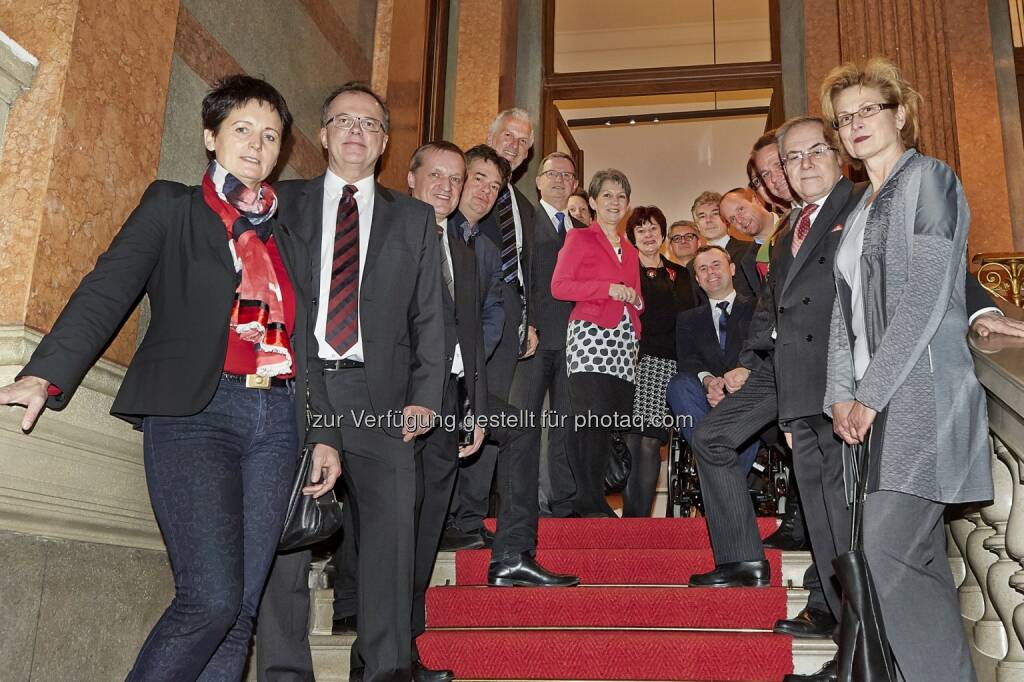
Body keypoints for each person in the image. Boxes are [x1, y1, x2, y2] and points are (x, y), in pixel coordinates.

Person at [0, 75, 341, 681]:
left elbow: (311, 344)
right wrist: (44, 374)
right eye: (242, 130)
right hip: (195, 417)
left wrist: (325, 434)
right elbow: (108, 288)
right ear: (211, 136)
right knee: (208, 599)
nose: (258, 146)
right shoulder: (173, 207)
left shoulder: (289, 234)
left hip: (277, 424)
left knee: (238, 613)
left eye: (270, 136)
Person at [688, 113, 1018, 682]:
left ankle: (876, 659)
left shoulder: (866, 200)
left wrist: (986, 308)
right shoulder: (784, 233)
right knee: (826, 527)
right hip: (801, 395)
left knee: (861, 536)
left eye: (813, 151)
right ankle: (854, 652)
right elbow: (773, 319)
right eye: (789, 161)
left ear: (836, 154)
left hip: (852, 396)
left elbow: (934, 266)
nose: (801, 165)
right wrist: (773, 393)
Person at [258, 81, 445, 682]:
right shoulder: (281, 203)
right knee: (286, 539)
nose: (356, 132)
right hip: (293, 389)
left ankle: (385, 670)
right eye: (344, 120)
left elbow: (430, 316)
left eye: (369, 124)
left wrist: (426, 397)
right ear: (322, 134)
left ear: (385, 142)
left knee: (393, 542)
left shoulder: (413, 218)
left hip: (383, 399)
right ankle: (285, 672)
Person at [821, 57, 992, 682]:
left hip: (917, 390)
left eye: (869, 110)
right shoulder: (859, 205)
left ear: (899, 114)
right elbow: (844, 314)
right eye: (845, 119)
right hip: (872, 400)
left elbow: (926, 295)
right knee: (907, 558)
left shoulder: (931, 179)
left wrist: (868, 392)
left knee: (888, 548)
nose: (856, 124)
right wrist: (840, 393)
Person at [444, 108, 537, 550]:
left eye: (523, 141)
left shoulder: (522, 206)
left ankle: (469, 515)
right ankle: (446, 514)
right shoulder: (455, 193)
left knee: (487, 416)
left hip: (501, 323)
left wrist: (525, 321)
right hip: (452, 324)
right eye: (509, 136)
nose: (515, 146)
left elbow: (521, 272)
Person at [552, 169, 643, 517]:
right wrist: (605, 289)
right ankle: (587, 500)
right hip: (590, 335)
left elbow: (637, 295)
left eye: (621, 196)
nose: (614, 202)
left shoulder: (631, 251)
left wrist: (637, 304)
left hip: (623, 340)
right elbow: (560, 287)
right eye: (607, 195)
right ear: (592, 201)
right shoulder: (579, 239)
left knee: (609, 422)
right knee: (588, 419)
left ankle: (596, 496)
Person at [519, 151, 587, 519]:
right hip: (533, 339)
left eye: (567, 175)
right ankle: (526, 501)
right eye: (552, 174)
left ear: (575, 184)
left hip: (576, 344)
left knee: (565, 425)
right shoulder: (524, 222)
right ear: (539, 181)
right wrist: (524, 324)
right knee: (526, 424)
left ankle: (562, 500)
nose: (560, 180)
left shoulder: (585, 232)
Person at [621, 206, 699, 517]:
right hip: (631, 362)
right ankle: (630, 518)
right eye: (641, 230)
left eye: (654, 228)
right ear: (632, 237)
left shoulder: (682, 275)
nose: (649, 234)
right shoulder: (624, 272)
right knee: (631, 442)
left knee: (651, 443)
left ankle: (639, 520)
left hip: (668, 366)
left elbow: (692, 320)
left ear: (662, 234)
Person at [666, 245, 758, 473]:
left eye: (716, 265)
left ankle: (718, 476)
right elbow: (688, 360)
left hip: (747, 398)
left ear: (733, 268)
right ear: (698, 279)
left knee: (756, 413)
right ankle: (715, 459)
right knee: (678, 385)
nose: (711, 272)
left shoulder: (759, 308)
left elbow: (764, 349)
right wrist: (709, 382)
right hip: (704, 403)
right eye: (703, 269)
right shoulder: (687, 319)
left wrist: (737, 377)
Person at [690, 191, 756, 296]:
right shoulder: (691, 266)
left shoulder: (751, 251)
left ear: (726, 219)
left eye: (715, 213)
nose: (708, 220)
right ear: (697, 225)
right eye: (702, 216)